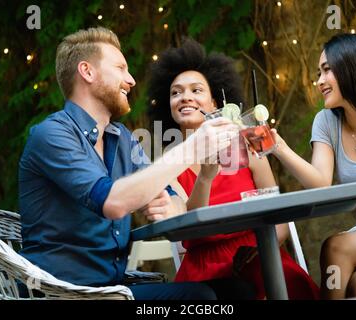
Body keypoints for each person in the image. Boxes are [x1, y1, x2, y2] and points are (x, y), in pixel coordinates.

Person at [18, 27, 257, 300]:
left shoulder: (123, 140)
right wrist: (192, 148)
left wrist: (169, 204)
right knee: (201, 299)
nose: (131, 80)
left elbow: (176, 202)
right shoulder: (52, 135)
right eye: (120, 68)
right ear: (87, 72)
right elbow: (113, 202)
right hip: (63, 293)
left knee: (237, 291)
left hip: (113, 288)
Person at [148, 38, 320, 300]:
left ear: (215, 103)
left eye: (196, 90)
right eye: (176, 92)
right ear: (168, 106)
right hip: (204, 269)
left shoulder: (247, 144)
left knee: (288, 282)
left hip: (259, 254)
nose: (185, 97)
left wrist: (260, 253)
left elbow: (280, 221)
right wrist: (205, 178)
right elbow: (189, 226)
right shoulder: (169, 163)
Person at [269, 33, 356, 299]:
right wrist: (279, 147)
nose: (319, 81)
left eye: (327, 70)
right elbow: (320, 183)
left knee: (336, 246)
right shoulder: (327, 122)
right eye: (318, 73)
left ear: (353, 69)